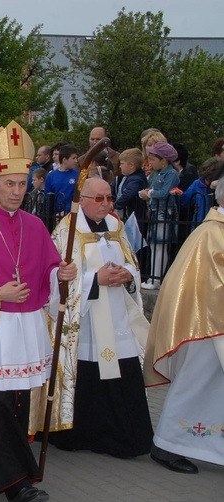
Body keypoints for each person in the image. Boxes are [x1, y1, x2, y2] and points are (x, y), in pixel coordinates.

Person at [0, 121, 76, 502]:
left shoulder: (35, 225)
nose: (16, 191)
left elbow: (46, 270)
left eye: (22, 183)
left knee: (17, 403)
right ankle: (13, 482)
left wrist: (58, 273)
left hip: (26, 327)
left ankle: (10, 475)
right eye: (9, 184)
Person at [41, 178, 153, 459]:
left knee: (123, 374)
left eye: (109, 198)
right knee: (91, 376)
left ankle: (126, 438)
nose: (107, 204)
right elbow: (58, 280)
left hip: (117, 316)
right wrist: (95, 280)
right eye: (99, 199)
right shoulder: (68, 231)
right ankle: (82, 435)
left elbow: (132, 260)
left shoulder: (116, 225)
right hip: (86, 324)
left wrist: (127, 273)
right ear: (82, 199)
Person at [144, 175, 224, 474]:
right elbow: (214, 282)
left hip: (215, 324)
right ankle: (166, 445)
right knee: (194, 385)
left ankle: (203, 445)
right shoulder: (211, 234)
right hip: (203, 327)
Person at [139, 142, 180, 289]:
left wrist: (148, 194)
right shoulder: (156, 173)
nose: (150, 162)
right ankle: (152, 277)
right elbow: (151, 188)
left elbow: (164, 193)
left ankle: (156, 279)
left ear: (164, 160)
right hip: (155, 212)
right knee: (154, 245)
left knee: (160, 246)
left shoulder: (172, 174)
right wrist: (144, 192)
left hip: (165, 213)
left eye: (153, 160)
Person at [112, 148, 148, 221]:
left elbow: (128, 194)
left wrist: (114, 205)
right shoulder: (122, 178)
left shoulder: (137, 179)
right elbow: (112, 188)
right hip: (126, 215)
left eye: (122, 163)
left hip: (135, 218)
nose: (120, 166)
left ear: (131, 165)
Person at [44, 144, 79, 215]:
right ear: (64, 160)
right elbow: (47, 198)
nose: (76, 161)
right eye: (73, 158)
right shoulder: (51, 176)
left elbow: (79, 196)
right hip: (55, 216)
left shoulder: (78, 175)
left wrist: (67, 211)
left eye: (76, 158)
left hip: (73, 214)